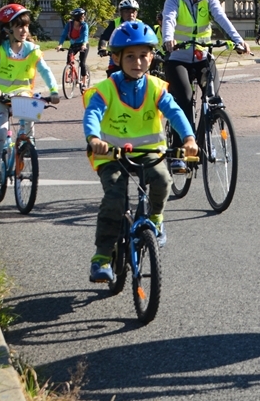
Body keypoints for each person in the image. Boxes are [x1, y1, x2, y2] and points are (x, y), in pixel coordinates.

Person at [83, 21, 197, 282]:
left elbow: (175, 112)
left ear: (151, 57)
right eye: (130, 56)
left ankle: (155, 218)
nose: (137, 62)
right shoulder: (106, 89)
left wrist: (189, 138)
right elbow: (92, 114)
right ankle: (102, 257)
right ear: (116, 58)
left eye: (143, 56)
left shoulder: (156, 87)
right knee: (114, 198)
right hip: (111, 154)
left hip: (148, 152)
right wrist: (94, 138)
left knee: (163, 180)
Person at [160, 0, 248, 167]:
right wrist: (168, 38)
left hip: (202, 57)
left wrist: (238, 41)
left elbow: (222, 19)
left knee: (212, 98)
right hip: (178, 58)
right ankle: (180, 151)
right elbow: (169, 18)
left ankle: (201, 142)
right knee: (184, 99)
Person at [0, 3, 60, 197]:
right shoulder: (1, 50)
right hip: (0, 98)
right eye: (19, 26)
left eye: (26, 26)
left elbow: (45, 71)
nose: (24, 30)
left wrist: (54, 91)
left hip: (22, 94)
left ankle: (25, 146)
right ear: (8, 29)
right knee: (1, 133)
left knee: (28, 125)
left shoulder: (32, 50)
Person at [97, 0, 139, 76]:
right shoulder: (115, 23)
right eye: (127, 12)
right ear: (121, 13)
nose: (131, 15)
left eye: (133, 12)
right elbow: (105, 37)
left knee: (144, 75)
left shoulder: (140, 24)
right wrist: (103, 48)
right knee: (112, 77)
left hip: (135, 56)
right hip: (117, 56)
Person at [56, 8, 90, 81]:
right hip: (74, 45)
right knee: (69, 60)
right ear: (78, 17)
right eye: (82, 15)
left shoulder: (84, 25)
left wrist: (84, 44)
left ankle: (84, 80)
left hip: (83, 45)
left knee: (82, 63)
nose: (84, 17)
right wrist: (60, 45)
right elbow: (63, 35)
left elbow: (85, 35)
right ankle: (70, 72)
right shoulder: (69, 24)